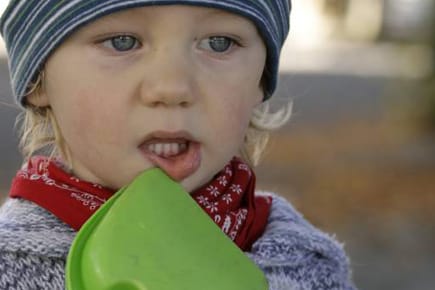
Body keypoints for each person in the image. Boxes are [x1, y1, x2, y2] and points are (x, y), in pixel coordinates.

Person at [0, 1, 356, 289]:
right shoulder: (10, 266)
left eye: (219, 43)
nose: (173, 87)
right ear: (38, 78)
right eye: (122, 41)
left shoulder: (310, 264)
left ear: (260, 80)